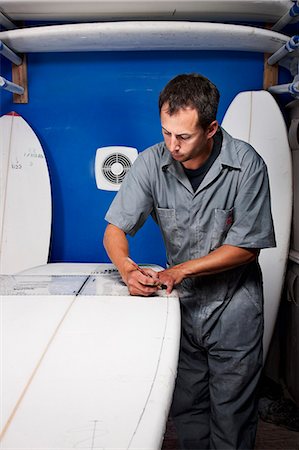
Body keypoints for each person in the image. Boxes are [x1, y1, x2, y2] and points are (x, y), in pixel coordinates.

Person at [103, 73, 276, 449]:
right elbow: (115, 229)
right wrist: (127, 269)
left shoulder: (247, 165)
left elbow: (247, 247)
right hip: (181, 309)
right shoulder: (151, 163)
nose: (172, 145)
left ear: (211, 128)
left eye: (183, 136)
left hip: (235, 310)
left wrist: (178, 270)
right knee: (188, 410)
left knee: (231, 416)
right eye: (166, 132)